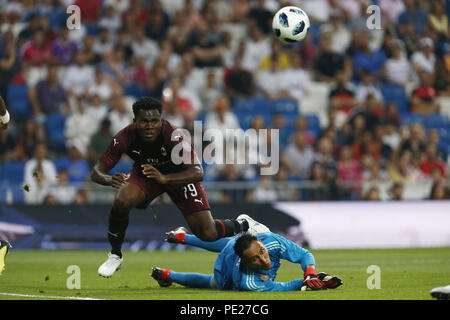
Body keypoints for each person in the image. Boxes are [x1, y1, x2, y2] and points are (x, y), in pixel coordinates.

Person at [91, 97, 250, 278]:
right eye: (144, 121)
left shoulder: (174, 136)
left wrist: (165, 178)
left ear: (161, 120)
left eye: (154, 121)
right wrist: (109, 179)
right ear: (135, 122)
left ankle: (243, 224)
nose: (150, 126)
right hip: (147, 174)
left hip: (179, 176)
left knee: (208, 233)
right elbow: (96, 171)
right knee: (122, 199)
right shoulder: (124, 137)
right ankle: (115, 255)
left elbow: (198, 172)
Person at [151, 215, 342, 292]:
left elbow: (304, 255)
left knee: (232, 241)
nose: (264, 259)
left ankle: (182, 237)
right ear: (245, 263)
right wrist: (306, 284)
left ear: (260, 242)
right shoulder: (248, 281)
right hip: (225, 268)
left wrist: (310, 273)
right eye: (255, 260)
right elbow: (281, 287)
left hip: (244, 239)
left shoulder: (272, 241)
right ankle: (168, 275)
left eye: (261, 251)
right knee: (213, 282)